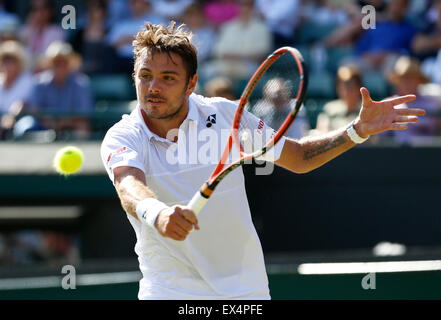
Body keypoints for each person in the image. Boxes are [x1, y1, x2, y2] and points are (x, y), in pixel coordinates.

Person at [100, 22, 425, 300]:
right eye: (145, 75)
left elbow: (297, 157)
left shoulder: (227, 115)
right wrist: (158, 214)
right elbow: (129, 185)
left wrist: (356, 130)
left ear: (191, 83)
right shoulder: (123, 136)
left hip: (245, 291)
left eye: (168, 77)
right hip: (169, 291)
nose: (153, 88)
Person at [19, 41, 93, 139]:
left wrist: (62, 123)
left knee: (82, 126)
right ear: (50, 64)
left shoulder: (81, 83)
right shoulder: (39, 83)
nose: (60, 67)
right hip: (44, 126)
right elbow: (35, 109)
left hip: (71, 126)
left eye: (64, 63)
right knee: (27, 125)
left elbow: (84, 113)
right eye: (56, 63)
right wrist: (51, 123)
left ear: (69, 64)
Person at [201, 0, 272, 82]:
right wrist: (228, 55)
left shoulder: (262, 28)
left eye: (247, 5)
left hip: (248, 67)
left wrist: (238, 56)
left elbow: (262, 53)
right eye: (240, 4)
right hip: (225, 65)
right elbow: (217, 50)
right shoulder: (228, 26)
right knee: (206, 70)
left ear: (253, 7)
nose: (244, 8)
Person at [386, 56, 441, 145]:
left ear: (419, 80)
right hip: (394, 156)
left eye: (412, 78)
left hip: (427, 154)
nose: (408, 82)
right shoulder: (387, 103)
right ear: (397, 80)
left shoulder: (432, 103)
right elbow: (377, 137)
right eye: (404, 78)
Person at [107, 0, 166, 74]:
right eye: (134, 3)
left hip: (149, 59)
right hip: (122, 62)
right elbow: (111, 44)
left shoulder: (156, 21)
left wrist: (129, 39)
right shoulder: (121, 25)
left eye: (141, 3)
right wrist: (141, 38)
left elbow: (161, 40)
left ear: (147, 5)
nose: (137, 6)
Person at [0, 41, 33, 140]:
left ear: (19, 63)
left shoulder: (27, 81)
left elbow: (21, 104)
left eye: (12, 60)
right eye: (5, 60)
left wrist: (10, 117)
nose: (8, 64)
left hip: (19, 123)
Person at [18, 0, 66, 70]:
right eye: (34, 9)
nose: (39, 13)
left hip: (48, 74)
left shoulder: (58, 32)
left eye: (43, 8)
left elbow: (52, 58)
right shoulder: (24, 31)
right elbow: (22, 57)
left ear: (50, 11)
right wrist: (31, 28)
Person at [315, 65, 363, 133]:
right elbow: (322, 134)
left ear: (359, 88)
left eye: (351, 87)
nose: (347, 91)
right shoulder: (329, 109)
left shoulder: (366, 111)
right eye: (343, 87)